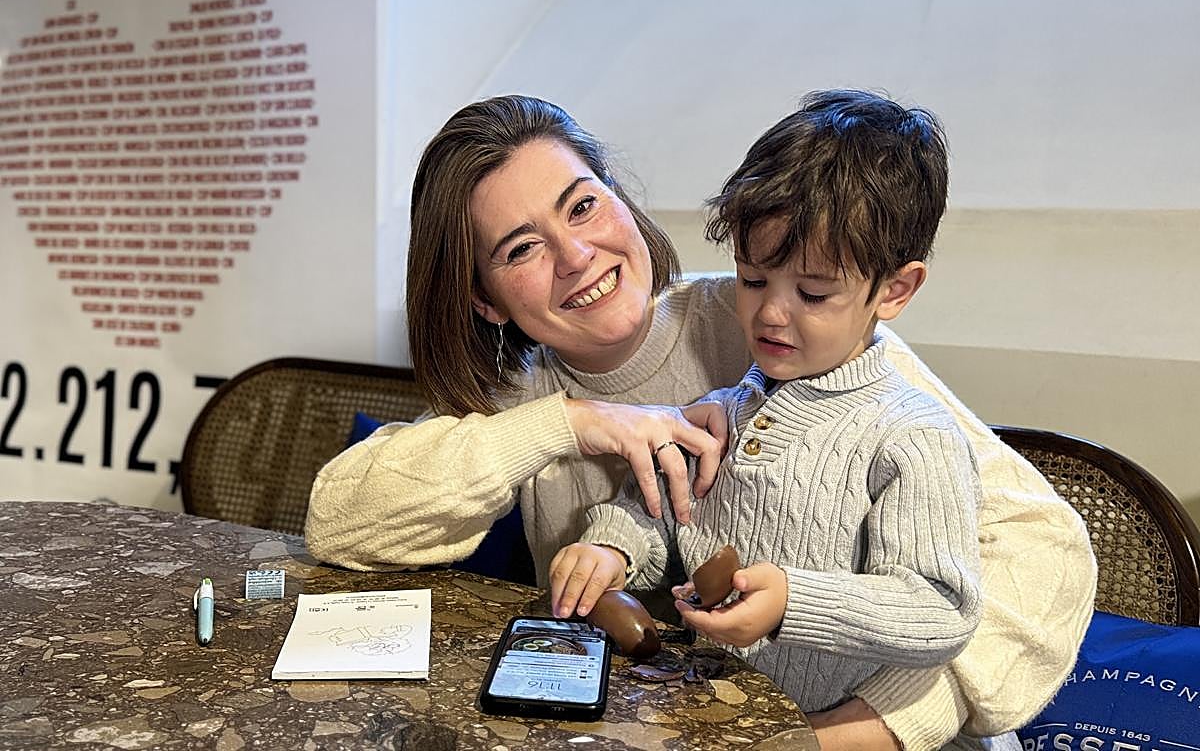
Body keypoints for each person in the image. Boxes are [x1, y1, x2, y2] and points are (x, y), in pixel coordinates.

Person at [304, 94, 1096, 750]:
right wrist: (572, 425)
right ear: (484, 298)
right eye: (521, 249)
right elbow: (339, 521)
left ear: (619, 198)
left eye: (583, 205)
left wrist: (867, 727)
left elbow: (1044, 548)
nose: (576, 255)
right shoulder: (524, 397)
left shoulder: (771, 328)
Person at [550, 90, 1009, 745]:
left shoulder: (911, 435)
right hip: (731, 721)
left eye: (813, 293)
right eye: (753, 279)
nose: (770, 314)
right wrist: (613, 547)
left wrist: (795, 601)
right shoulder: (726, 410)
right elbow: (662, 513)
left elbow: (941, 607)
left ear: (895, 289)